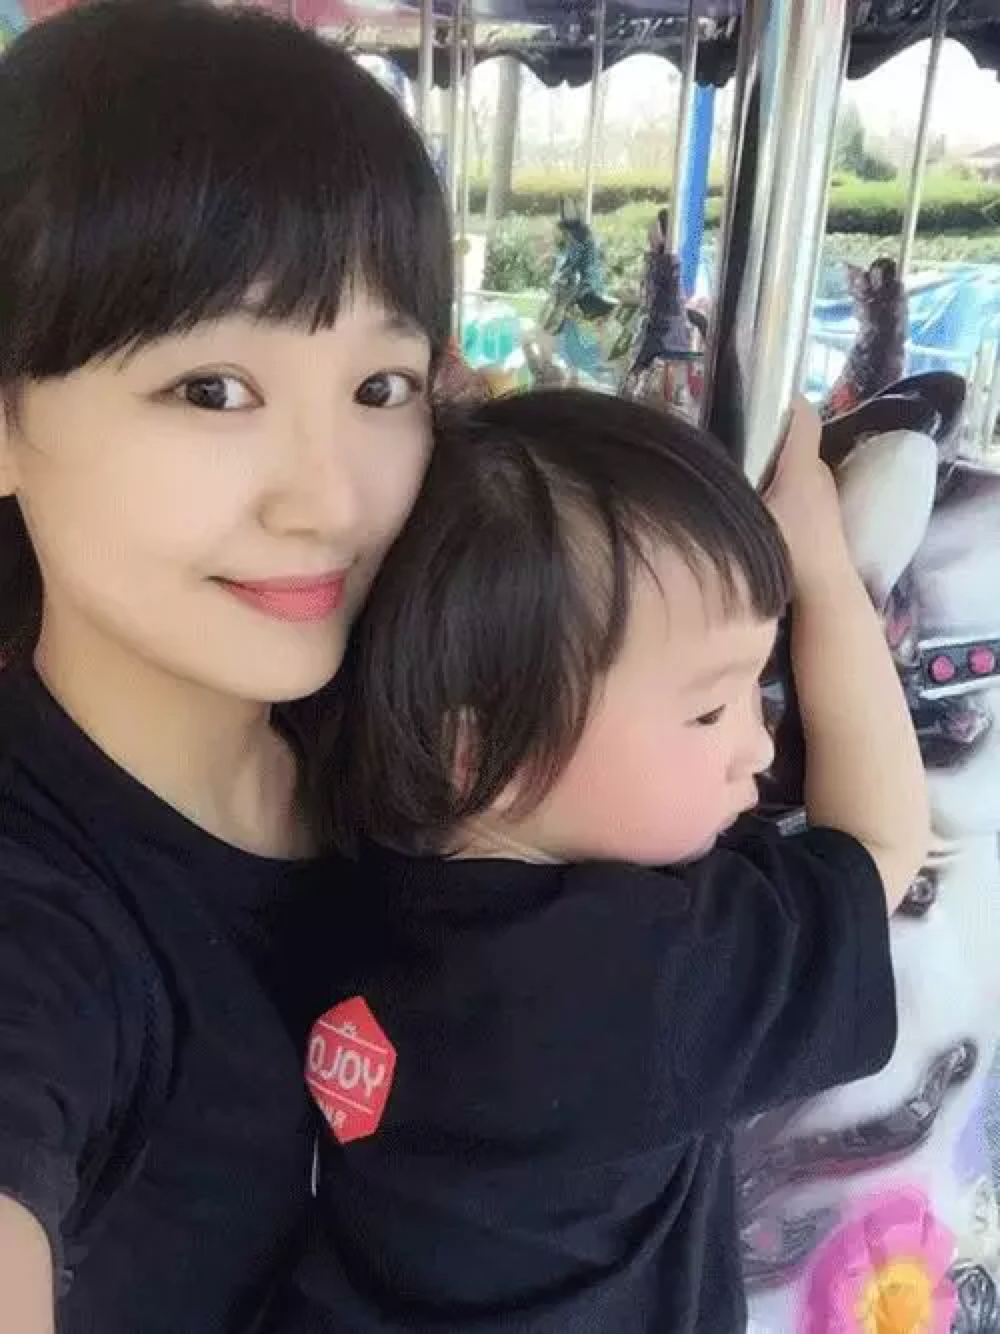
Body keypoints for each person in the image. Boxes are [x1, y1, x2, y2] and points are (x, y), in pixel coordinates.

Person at [284, 389, 930, 1333]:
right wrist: (826, 573)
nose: (755, 746)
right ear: (479, 751)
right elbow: (880, 845)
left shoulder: (343, 859)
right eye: (709, 709)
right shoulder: (643, 977)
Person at [0, 1, 451, 1331]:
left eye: (381, 387)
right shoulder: (43, 927)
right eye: (213, 389)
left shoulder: (422, 746)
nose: (329, 501)